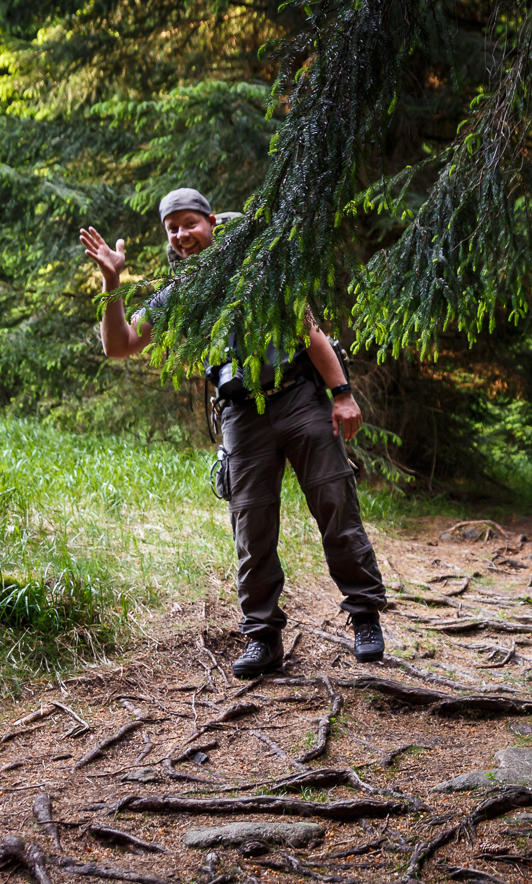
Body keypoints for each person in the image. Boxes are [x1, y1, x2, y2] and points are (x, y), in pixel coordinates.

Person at [80, 187, 386, 678]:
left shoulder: (260, 272)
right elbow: (120, 345)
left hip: (299, 397)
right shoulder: (180, 295)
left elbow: (311, 333)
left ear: (211, 223)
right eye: (172, 229)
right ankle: (262, 638)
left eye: (189, 223)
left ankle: (365, 617)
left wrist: (342, 394)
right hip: (241, 415)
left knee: (335, 504)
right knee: (251, 526)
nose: (182, 235)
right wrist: (111, 281)